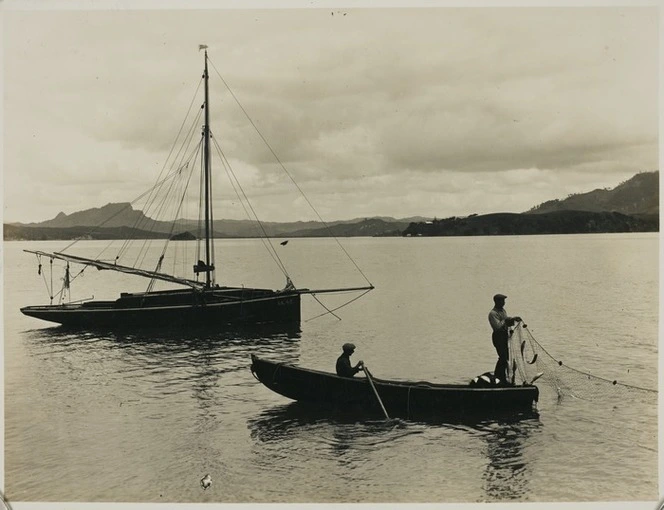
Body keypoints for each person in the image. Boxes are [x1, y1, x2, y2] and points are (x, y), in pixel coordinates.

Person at [488, 294, 521, 385]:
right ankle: (498, 378)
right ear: (496, 301)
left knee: (505, 357)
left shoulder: (503, 311)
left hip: (504, 336)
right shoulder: (493, 313)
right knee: (502, 357)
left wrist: (513, 319)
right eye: (502, 301)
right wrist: (507, 320)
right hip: (498, 336)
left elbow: (506, 323)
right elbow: (498, 326)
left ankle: (501, 378)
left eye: (504, 301)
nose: (504, 302)